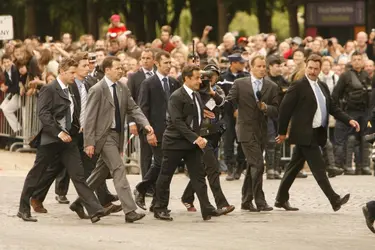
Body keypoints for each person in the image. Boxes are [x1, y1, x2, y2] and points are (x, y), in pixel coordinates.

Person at [17, 58, 107, 223]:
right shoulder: (49, 89)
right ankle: (23, 209)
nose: (75, 75)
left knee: (78, 175)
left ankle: (95, 210)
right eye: (72, 73)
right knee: (36, 174)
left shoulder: (71, 89)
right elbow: (43, 114)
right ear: (63, 72)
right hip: (51, 140)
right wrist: (58, 133)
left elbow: (73, 110)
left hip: (69, 141)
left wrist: (79, 126)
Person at [30, 52, 120, 215]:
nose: (88, 68)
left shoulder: (89, 83)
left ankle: (97, 202)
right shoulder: (66, 85)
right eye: (84, 66)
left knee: (88, 167)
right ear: (73, 68)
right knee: (56, 168)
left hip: (84, 134)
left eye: (88, 65)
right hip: (67, 134)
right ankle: (36, 196)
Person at [275, 54, 360, 211]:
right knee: (319, 168)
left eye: (316, 69)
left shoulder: (322, 86)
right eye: (310, 68)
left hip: (317, 133)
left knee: (293, 167)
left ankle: (280, 199)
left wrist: (348, 120)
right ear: (306, 67)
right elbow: (284, 110)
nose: (313, 71)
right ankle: (335, 200)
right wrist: (281, 132)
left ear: (320, 69)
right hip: (304, 134)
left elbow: (333, 107)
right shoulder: (298, 85)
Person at [77, 56, 155, 223]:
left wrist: (145, 124)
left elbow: (133, 107)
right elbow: (89, 118)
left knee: (99, 173)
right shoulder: (97, 89)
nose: (121, 71)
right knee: (119, 169)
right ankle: (130, 210)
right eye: (118, 68)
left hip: (116, 136)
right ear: (107, 70)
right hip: (103, 137)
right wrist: (88, 142)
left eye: (122, 68)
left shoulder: (122, 87)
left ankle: (79, 202)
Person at [153, 65, 225, 221]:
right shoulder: (176, 97)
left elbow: (197, 119)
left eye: (200, 77)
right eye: (197, 78)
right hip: (174, 143)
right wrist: (195, 138)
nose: (200, 81)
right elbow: (177, 122)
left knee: (198, 176)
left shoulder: (197, 95)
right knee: (166, 176)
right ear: (186, 79)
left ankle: (207, 208)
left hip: (192, 144)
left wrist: (199, 136)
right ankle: (160, 208)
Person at [226, 55, 279, 212]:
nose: (262, 69)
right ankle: (259, 200)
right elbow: (229, 101)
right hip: (245, 130)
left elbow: (276, 110)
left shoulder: (272, 86)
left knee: (252, 166)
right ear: (251, 68)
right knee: (258, 164)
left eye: (264, 66)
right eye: (259, 66)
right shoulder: (240, 84)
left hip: (261, 131)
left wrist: (266, 108)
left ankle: (246, 200)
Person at [180, 64, 235, 214]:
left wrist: (211, 92)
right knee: (212, 169)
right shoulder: (194, 89)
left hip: (213, 135)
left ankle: (187, 197)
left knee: (202, 170)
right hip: (198, 135)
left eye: (214, 75)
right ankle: (221, 203)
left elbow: (222, 104)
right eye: (205, 76)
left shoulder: (216, 89)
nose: (209, 79)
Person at [133, 51, 180, 210]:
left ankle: (152, 198)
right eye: (166, 63)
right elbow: (142, 109)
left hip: (171, 132)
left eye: (170, 63)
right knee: (161, 164)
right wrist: (148, 131)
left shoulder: (174, 83)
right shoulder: (148, 83)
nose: (169, 66)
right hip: (155, 131)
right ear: (157, 64)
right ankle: (147, 191)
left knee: (163, 168)